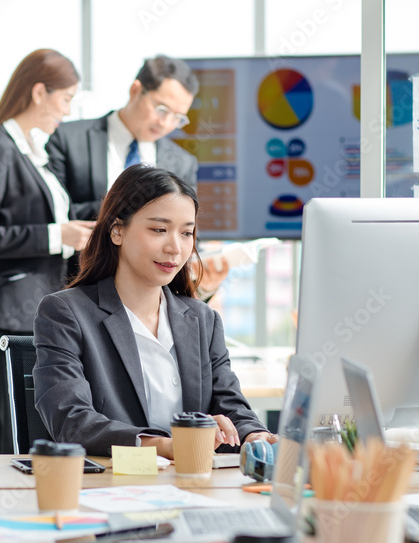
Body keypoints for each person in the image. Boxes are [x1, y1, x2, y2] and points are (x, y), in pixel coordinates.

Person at [32, 164, 276, 458]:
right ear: (117, 231)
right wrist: (167, 445)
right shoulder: (66, 312)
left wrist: (255, 435)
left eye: (187, 233)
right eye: (159, 230)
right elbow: (72, 422)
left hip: (193, 485)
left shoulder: (202, 319)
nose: (175, 247)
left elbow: (230, 404)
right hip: (111, 489)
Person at [0, 49, 95, 455]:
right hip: (12, 311)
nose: (68, 112)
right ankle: (0, 504)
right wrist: (57, 236)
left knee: (11, 420)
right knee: (23, 423)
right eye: (66, 99)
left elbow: (56, 214)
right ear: (39, 92)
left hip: (37, 307)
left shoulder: (35, 152)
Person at [46, 54, 229, 297]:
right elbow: (53, 215)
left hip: (147, 303)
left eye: (178, 118)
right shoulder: (69, 139)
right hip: (73, 291)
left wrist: (202, 279)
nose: (166, 124)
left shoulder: (182, 163)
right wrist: (133, 215)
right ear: (136, 90)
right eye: (161, 109)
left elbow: (182, 230)